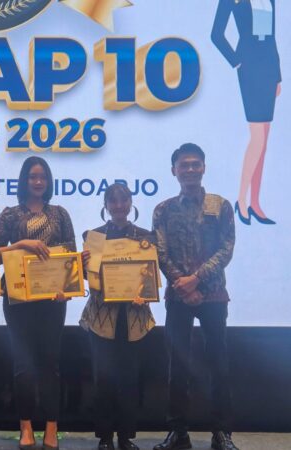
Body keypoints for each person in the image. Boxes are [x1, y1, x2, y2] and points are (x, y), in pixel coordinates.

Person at [152, 144, 237, 450]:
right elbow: (160, 252)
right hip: (177, 297)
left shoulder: (220, 205)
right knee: (178, 366)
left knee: (218, 363)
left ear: (203, 168)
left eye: (195, 164)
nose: (190, 169)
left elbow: (226, 249)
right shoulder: (163, 210)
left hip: (213, 295)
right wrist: (181, 283)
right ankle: (178, 432)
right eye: (184, 165)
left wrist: (196, 279)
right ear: (174, 170)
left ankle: (222, 433)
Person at [0, 156, 75, 450]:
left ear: (49, 181)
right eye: (32, 176)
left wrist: (68, 289)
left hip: (52, 300)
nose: (38, 181)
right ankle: (25, 426)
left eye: (42, 177)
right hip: (18, 299)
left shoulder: (60, 214)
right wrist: (21, 244)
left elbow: (70, 254)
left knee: (50, 364)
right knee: (23, 366)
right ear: (24, 180)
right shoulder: (10, 215)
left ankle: (52, 427)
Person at [79, 183, 155, 450]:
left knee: (129, 380)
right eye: (113, 201)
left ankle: (125, 437)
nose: (119, 206)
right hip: (102, 319)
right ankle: (105, 437)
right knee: (104, 380)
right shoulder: (94, 237)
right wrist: (83, 265)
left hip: (134, 318)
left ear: (131, 203)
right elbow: (91, 279)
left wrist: (146, 291)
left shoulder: (145, 237)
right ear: (106, 205)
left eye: (124, 201)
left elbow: (150, 276)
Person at [211, 0, 281, 225]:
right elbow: (216, 35)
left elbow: (272, 36)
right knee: (257, 137)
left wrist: (278, 74)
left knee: (264, 139)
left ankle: (255, 203)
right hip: (249, 65)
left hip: (268, 64)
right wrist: (236, 61)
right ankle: (241, 199)